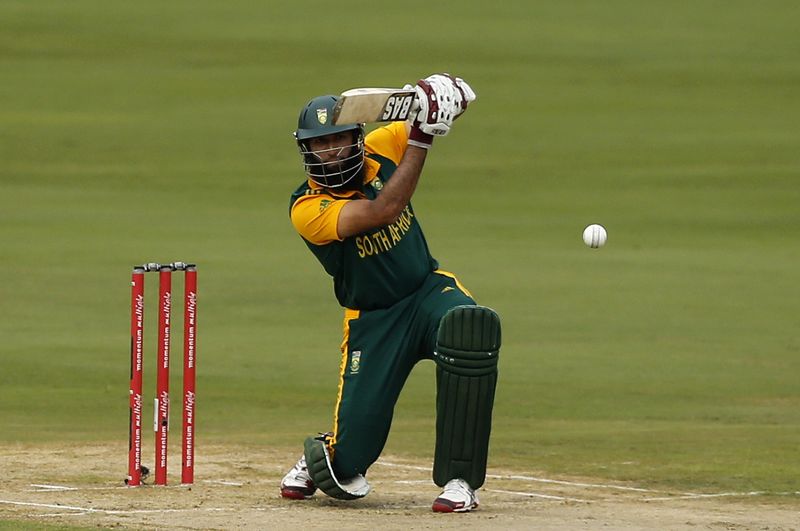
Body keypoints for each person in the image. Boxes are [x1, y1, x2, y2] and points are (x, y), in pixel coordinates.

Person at [280, 74, 501, 513]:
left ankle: (460, 479)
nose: (331, 151)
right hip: (374, 319)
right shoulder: (308, 208)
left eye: (339, 139)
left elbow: (433, 113)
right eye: (320, 144)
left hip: (426, 292)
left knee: (469, 330)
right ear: (306, 149)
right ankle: (326, 457)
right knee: (348, 462)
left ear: (356, 137)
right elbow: (384, 210)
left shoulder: (382, 145)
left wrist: (445, 94)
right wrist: (422, 140)